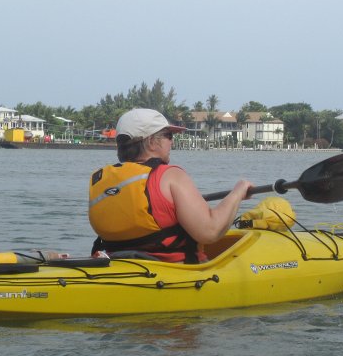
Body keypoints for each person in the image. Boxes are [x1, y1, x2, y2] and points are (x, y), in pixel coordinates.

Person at [88, 108, 253, 263]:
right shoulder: (170, 176)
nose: (172, 142)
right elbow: (210, 231)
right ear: (151, 141)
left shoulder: (99, 179)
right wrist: (238, 192)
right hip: (174, 270)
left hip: (117, 264)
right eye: (168, 135)